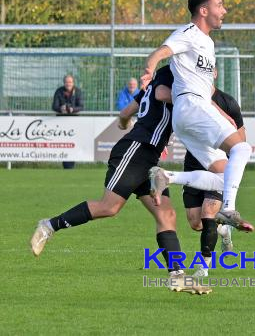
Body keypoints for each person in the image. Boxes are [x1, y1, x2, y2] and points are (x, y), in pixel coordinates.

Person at [30, 67, 222, 295]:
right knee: (109, 207)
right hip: (135, 151)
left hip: (149, 158)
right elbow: (161, 93)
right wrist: (196, 100)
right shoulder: (173, 75)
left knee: (166, 214)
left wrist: (124, 123)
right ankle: (48, 226)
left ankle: (178, 276)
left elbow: (126, 112)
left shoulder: (172, 83)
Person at [140, 0, 251, 218]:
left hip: (191, 112)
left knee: (225, 177)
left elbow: (206, 88)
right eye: (219, 5)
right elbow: (160, 52)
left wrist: (220, 112)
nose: (224, 10)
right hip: (192, 106)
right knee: (241, 147)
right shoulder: (188, 32)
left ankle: (167, 177)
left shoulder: (208, 44)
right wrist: (149, 70)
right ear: (203, 10)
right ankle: (228, 210)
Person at [148, 67, 252, 279]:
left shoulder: (228, 102)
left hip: (219, 164)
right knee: (196, 223)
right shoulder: (189, 95)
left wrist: (234, 161)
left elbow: (240, 138)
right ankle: (224, 230)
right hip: (194, 163)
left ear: (214, 73)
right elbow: (171, 112)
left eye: (210, 70)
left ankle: (203, 269)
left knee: (208, 215)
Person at [52, 74, 84, 169]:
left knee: (73, 143)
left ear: (73, 83)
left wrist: (72, 109)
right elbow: (54, 106)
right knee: (64, 144)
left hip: (74, 121)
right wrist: (61, 109)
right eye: (66, 82)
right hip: (61, 122)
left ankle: (71, 165)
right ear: (64, 83)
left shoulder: (78, 91)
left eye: (70, 82)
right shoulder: (59, 91)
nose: (68, 84)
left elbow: (81, 106)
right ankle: (66, 165)